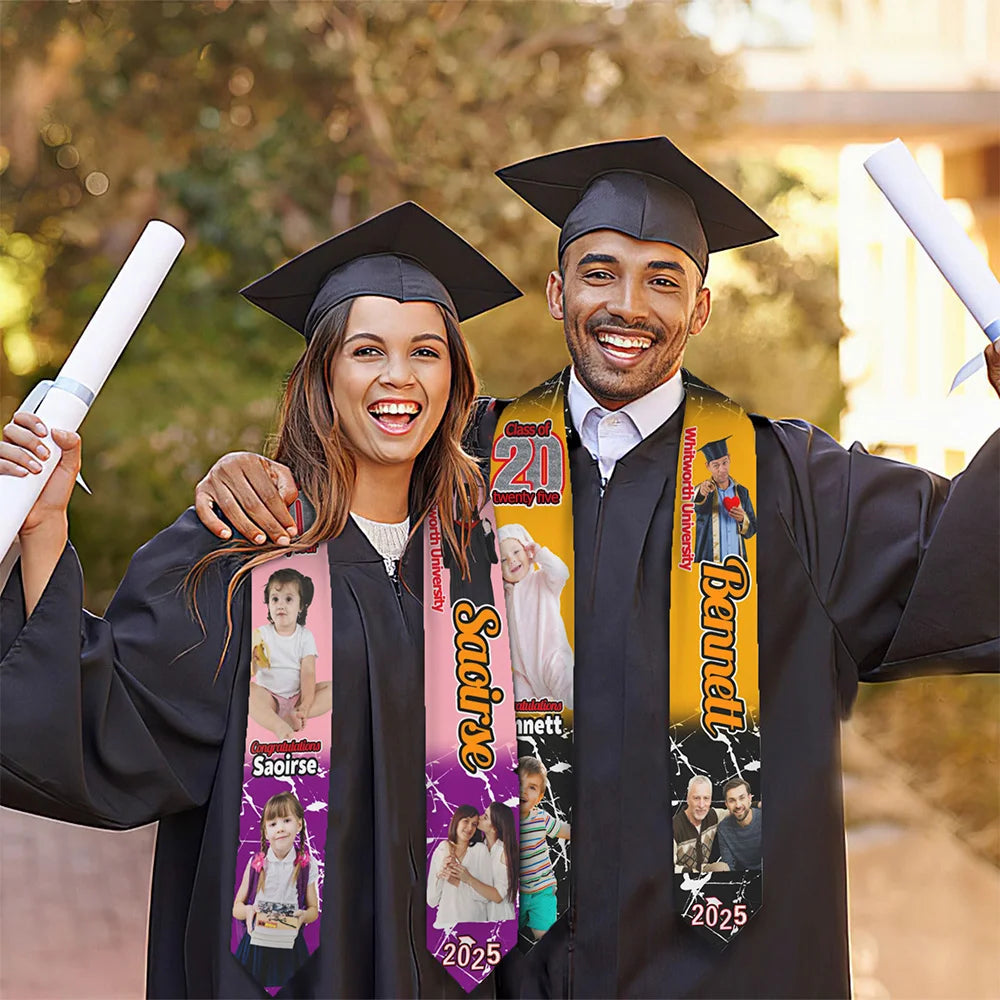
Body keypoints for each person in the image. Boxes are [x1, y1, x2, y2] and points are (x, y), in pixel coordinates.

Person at [187, 136, 999, 998]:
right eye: (600, 271)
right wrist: (254, 473)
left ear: (701, 310)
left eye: (663, 280)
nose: (628, 305)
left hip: (720, 974)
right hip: (496, 967)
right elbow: (328, 522)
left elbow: (965, 561)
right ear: (557, 291)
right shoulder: (456, 466)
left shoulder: (790, 485)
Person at [0, 202, 521, 998]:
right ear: (323, 374)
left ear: (454, 380)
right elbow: (107, 719)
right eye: (366, 350)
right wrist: (43, 529)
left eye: (425, 352)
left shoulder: (490, 562)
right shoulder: (241, 551)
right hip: (278, 973)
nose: (398, 377)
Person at [232, 790, 319, 983]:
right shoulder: (257, 863)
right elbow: (236, 907)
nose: (279, 828)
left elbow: (314, 910)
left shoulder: (305, 864)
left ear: (299, 824)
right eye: (272, 824)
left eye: (286, 820)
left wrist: (304, 916)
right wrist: (248, 911)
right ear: (265, 830)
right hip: (257, 947)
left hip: (290, 945)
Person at [497, 523, 574, 707]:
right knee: (517, 711)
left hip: (552, 658)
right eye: (503, 560)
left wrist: (540, 554)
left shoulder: (542, 580)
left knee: (571, 692)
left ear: (527, 550)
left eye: (516, 552)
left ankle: (588, 722)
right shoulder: (503, 596)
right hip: (523, 673)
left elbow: (562, 572)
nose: (512, 561)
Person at [251, 567, 331, 738]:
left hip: (297, 696)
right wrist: (253, 661)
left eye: (288, 599)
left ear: (301, 606)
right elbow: (252, 671)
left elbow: (308, 673)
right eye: (275, 599)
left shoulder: (305, 636)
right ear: (268, 604)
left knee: (334, 688)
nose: (280, 605)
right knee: (247, 691)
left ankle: (297, 715)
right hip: (269, 698)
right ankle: (277, 724)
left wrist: (306, 704)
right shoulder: (262, 634)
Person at [517, 756, 571, 940]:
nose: (523, 791)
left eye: (532, 787)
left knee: (545, 936)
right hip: (514, 895)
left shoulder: (541, 818)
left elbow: (563, 830)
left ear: (539, 797)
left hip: (542, 889)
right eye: (519, 782)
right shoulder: (503, 819)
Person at [426, 805, 494, 926]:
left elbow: (486, 896)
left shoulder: (480, 850)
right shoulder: (441, 850)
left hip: (475, 924)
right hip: (446, 925)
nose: (469, 828)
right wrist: (439, 876)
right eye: (466, 821)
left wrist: (458, 882)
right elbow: (432, 901)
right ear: (456, 821)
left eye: (474, 824)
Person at [692, 436, 756, 562]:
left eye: (725, 462)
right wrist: (702, 492)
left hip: (737, 564)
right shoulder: (704, 490)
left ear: (730, 459)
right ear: (707, 466)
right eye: (716, 465)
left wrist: (743, 519)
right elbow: (697, 505)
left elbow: (752, 529)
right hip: (710, 564)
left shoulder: (742, 492)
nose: (722, 469)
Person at [672, 775, 722, 874]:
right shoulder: (674, 827)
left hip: (703, 871)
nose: (702, 805)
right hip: (683, 879)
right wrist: (691, 873)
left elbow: (736, 810)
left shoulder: (713, 815)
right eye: (696, 798)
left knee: (721, 867)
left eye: (706, 798)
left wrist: (757, 804)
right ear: (687, 799)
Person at [477, 802, 518, 921]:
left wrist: (468, 878)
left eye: (485, 817)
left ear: (494, 828)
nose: (479, 817)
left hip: (501, 919)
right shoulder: (480, 847)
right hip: (483, 918)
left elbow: (498, 896)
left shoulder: (503, 853)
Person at [715, 778, 762, 873]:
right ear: (726, 804)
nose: (738, 805)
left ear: (749, 798)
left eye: (742, 798)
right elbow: (728, 865)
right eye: (732, 800)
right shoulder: (723, 828)